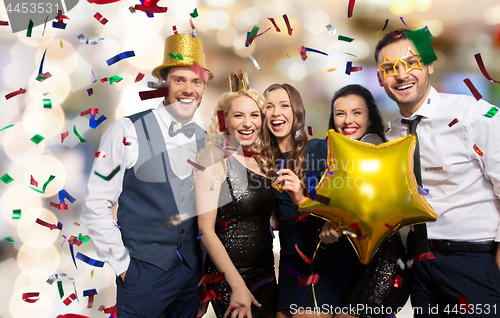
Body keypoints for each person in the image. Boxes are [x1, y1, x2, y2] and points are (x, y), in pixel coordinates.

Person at [81, 33, 213, 318]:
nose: (188, 89)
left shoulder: (207, 142)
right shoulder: (125, 131)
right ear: (164, 84)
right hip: (142, 276)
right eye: (179, 80)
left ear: (203, 88)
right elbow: (95, 206)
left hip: (191, 281)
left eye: (196, 81)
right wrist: (125, 268)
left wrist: (202, 281)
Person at [376, 29, 500, 317]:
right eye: (390, 68)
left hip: (474, 261)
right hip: (420, 265)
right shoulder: (391, 133)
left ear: (430, 65)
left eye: (412, 63)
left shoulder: (473, 115)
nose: (402, 74)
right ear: (381, 78)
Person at [260, 83, 359, 318]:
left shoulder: (318, 149)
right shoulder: (264, 161)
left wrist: (304, 200)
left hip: (320, 262)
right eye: (269, 107)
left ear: (297, 112)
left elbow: (347, 201)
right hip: (288, 265)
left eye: (284, 105)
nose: (276, 112)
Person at [320, 84, 410, 318]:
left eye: (356, 112)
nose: (347, 120)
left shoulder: (373, 148)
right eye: (340, 114)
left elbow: (363, 206)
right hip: (357, 267)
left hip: (384, 266)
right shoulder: (342, 156)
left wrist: (336, 223)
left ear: (370, 119)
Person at [196, 73, 277, 318]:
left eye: (254, 115)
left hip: (266, 275)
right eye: (238, 115)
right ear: (225, 120)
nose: (247, 123)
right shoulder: (214, 158)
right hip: (232, 280)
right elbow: (205, 230)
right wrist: (237, 285)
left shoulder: (263, 161)